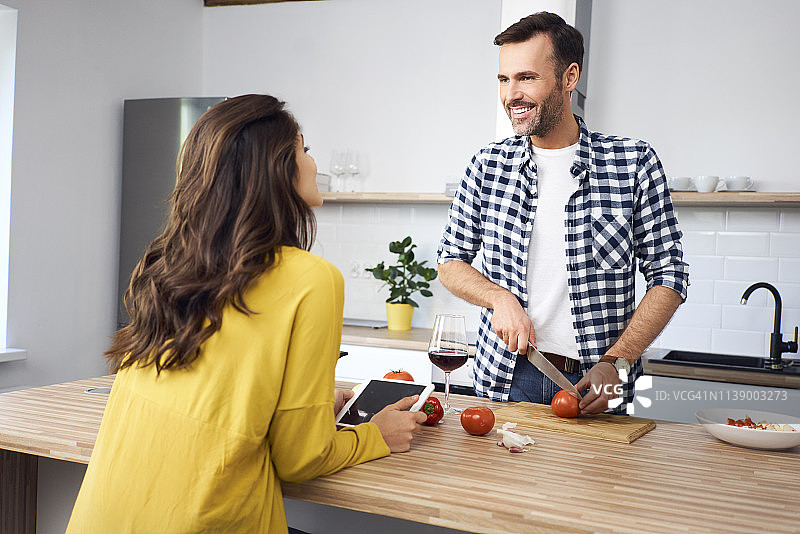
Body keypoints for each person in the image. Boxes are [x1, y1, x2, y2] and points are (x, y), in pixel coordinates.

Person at [67, 94, 427, 533]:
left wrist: (307, 409)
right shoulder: (311, 278)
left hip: (103, 515)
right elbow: (300, 459)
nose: (314, 164)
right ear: (277, 167)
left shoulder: (169, 264)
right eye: (305, 149)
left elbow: (217, 394)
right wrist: (377, 435)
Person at [437, 12, 688, 415]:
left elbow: (670, 277)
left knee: (596, 481)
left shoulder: (632, 162)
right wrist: (498, 298)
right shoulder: (487, 165)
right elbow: (450, 261)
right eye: (504, 80)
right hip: (503, 378)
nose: (511, 94)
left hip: (598, 382)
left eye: (527, 78)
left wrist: (618, 361)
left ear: (569, 77)